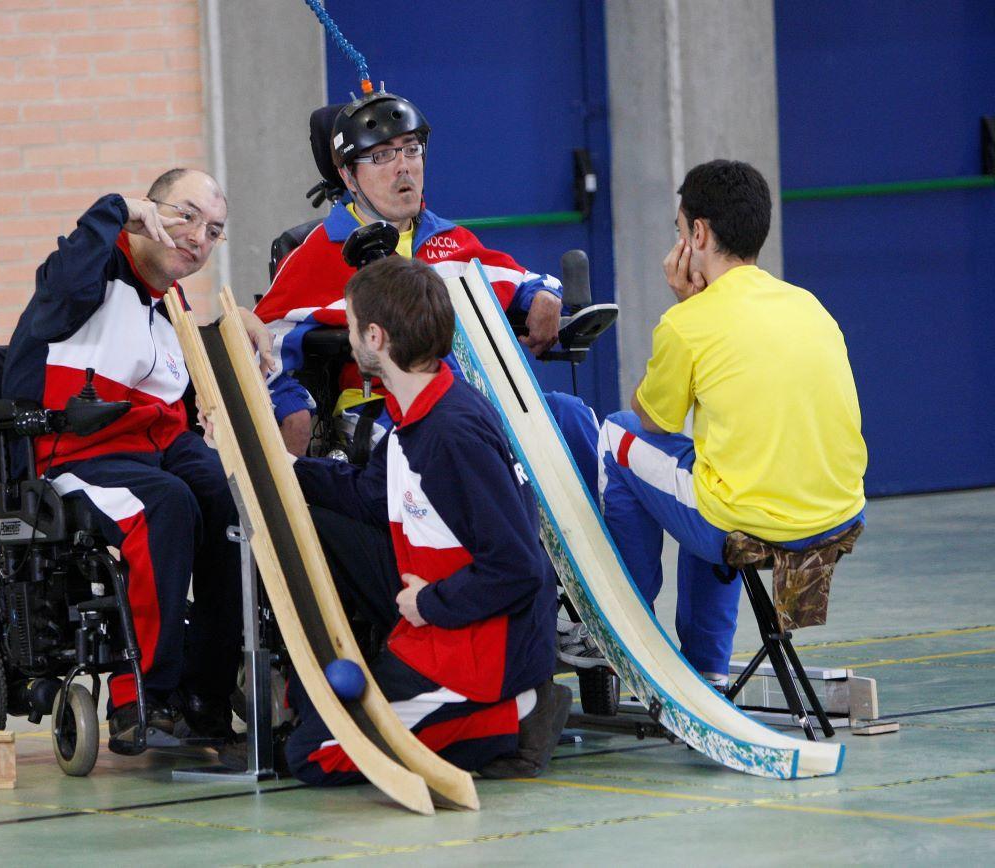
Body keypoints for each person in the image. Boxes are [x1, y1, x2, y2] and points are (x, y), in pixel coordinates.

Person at [264, 256, 570, 782]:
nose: (351, 337)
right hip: (435, 632)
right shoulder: (414, 413)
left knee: (313, 757)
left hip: (475, 656)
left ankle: (513, 718)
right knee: (303, 739)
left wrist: (429, 604)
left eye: (354, 325)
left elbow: (519, 567)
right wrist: (284, 466)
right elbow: (367, 494)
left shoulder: (452, 434)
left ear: (377, 338)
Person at [2, 168, 276, 753]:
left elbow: (164, 366)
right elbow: (60, 287)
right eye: (185, 216)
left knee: (233, 498)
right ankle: (140, 698)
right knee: (165, 507)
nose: (199, 237)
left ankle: (203, 695)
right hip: (78, 453)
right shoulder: (92, 271)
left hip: (157, 447)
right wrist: (112, 210)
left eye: (215, 230)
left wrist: (234, 329)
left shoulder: (166, 300)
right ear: (147, 213)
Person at [596, 160, 867, 686]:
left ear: (697, 234)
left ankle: (630, 634)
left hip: (746, 518)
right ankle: (708, 667)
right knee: (708, 472)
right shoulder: (809, 305)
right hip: (839, 516)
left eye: (680, 231)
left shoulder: (688, 322)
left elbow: (652, 418)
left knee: (615, 434)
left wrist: (687, 309)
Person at [253, 89, 597, 468]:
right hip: (386, 411)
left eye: (411, 149)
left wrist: (544, 296)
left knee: (572, 417)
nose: (403, 166)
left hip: (472, 401)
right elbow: (261, 339)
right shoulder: (320, 252)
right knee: (460, 439)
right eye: (382, 155)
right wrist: (292, 409)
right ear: (349, 176)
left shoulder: (449, 239)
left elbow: (523, 280)